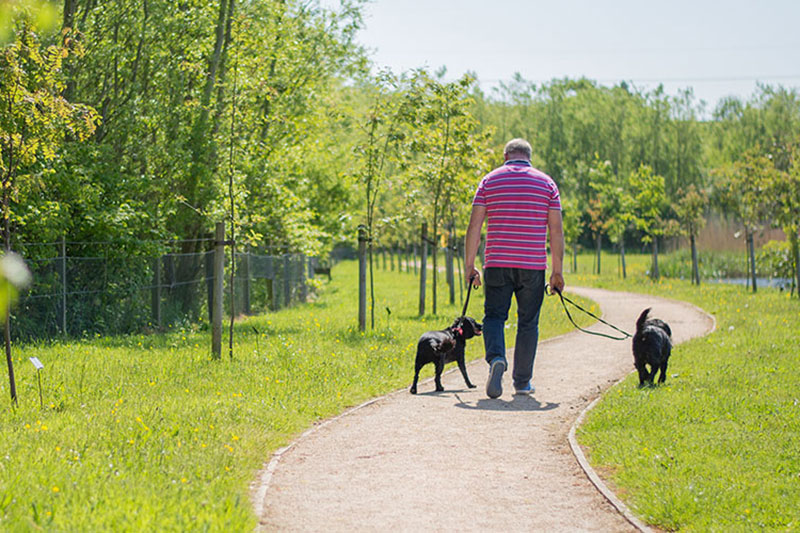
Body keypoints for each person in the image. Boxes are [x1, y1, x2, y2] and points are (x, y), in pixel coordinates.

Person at [464, 138, 565, 399]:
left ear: (506, 155)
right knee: (528, 322)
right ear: (529, 157)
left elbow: (474, 227)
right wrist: (557, 272)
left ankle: (497, 358)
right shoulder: (547, 183)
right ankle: (522, 382)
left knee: (495, 316)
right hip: (532, 266)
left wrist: (469, 265)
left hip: (497, 263)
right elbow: (556, 230)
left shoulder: (489, 181)